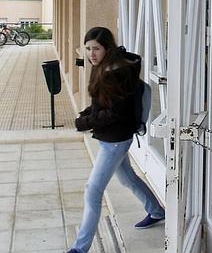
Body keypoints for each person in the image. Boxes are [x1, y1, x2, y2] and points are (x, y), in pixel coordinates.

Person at [66, 27, 165, 253]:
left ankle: (80, 248)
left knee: (93, 190)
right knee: (128, 178)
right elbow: (103, 103)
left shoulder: (115, 73)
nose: (91, 54)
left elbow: (115, 112)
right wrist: (87, 113)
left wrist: (85, 122)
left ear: (107, 49)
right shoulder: (103, 67)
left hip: (116, 140)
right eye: (88, 48)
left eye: (96, 49)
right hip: (113, 137)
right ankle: (157, 211)